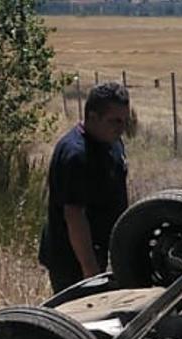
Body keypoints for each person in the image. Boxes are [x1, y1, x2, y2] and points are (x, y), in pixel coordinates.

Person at [38, 82, 130, 293]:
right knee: (78, 318)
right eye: (114, 121)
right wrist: (90, 270)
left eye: (125, 120)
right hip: (72, 258)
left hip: (101, 249)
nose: (121, 127)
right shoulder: (76, 154)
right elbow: (74, 215)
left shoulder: (113, 143)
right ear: (92, 117)